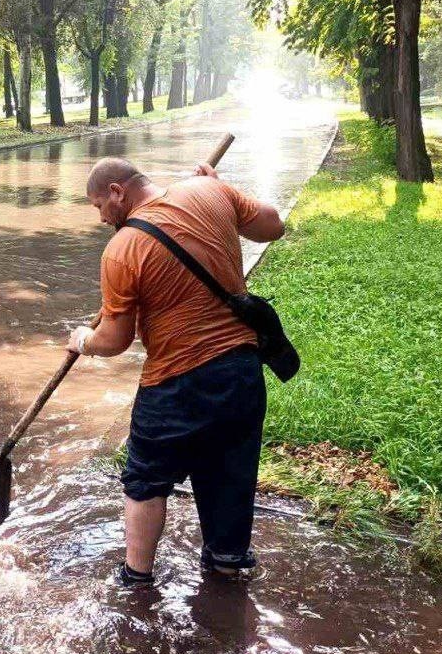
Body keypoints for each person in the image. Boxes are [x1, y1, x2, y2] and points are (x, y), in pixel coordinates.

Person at [67, 155, 285, 587]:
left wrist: (82, 341)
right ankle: (227, 562)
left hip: (175, 381)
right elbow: (273, 225)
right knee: (229, 470)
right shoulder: (211, 191)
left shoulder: (122, 250)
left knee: (144, 478)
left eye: (98, 206)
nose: (101, 217)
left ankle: (136, 577)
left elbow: (115, 339)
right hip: (241, 370)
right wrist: (221, 187)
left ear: (117, 192)